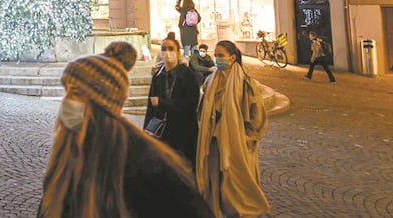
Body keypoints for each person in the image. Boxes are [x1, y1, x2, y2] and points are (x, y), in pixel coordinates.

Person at [38, 43, 214, 218]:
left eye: (75, 92)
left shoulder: (146, 163)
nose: (67, 101)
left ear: (102, 103)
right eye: (66, 91)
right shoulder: (69, 151)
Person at [195, 40, 270, 218]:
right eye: (215, 55)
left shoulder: (245, 83)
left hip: (238, 144)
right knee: (216, 184)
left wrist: (249, 138)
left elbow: (257, 114)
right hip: (214, 142)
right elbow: (202, 110)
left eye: (220, 55)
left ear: (232, 58)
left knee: (237, 187)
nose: (217, 59)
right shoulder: (210, 81)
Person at [144, 35, 201, 166]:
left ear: (178, 52)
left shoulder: (188, 75)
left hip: (183, 131)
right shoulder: (158, 77)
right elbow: (150, 107)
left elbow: (191, 104)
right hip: (162, 132)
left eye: (171, 48)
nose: (167, 52)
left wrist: (163, 104)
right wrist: (146, 132)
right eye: (164, 49)